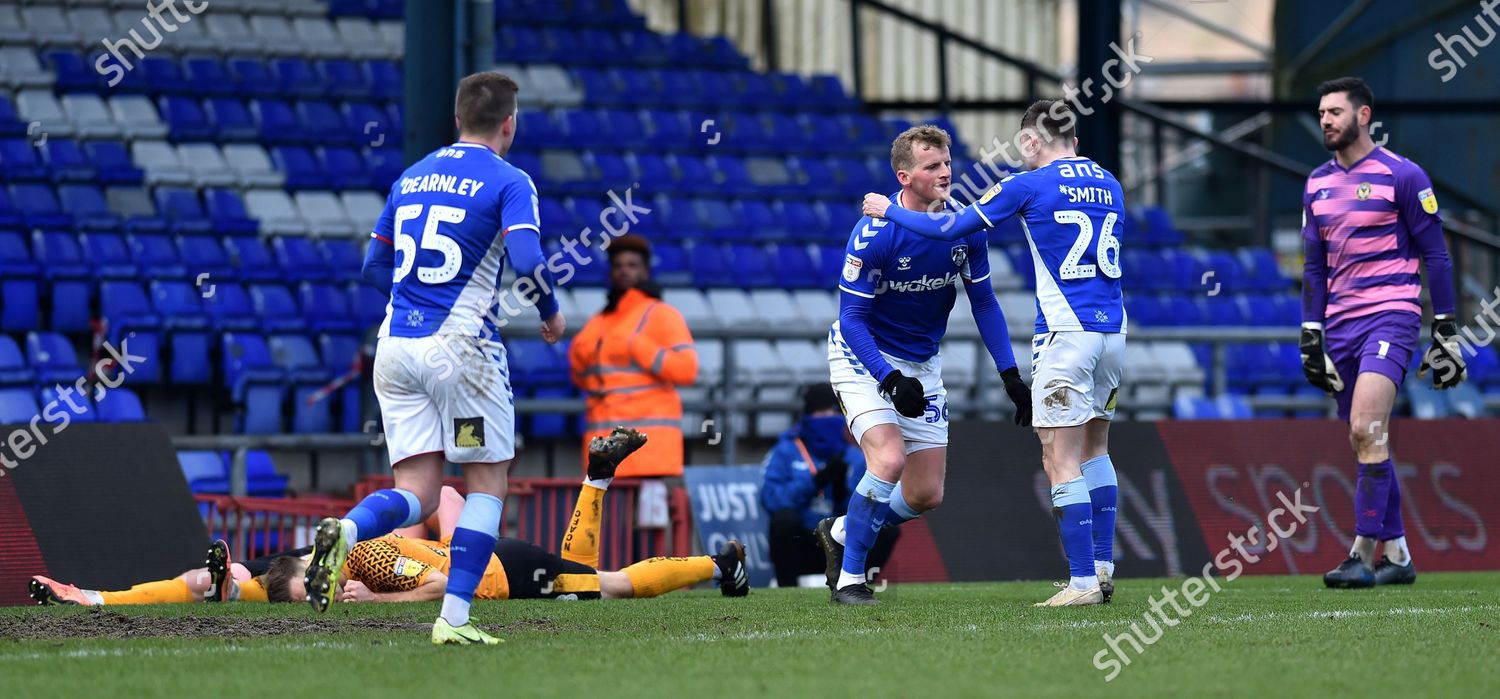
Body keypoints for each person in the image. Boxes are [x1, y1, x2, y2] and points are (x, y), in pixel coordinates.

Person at [301, 71, 566, 646]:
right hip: (462, 352)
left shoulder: (411, 177)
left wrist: (414, 305)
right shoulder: (510, 180)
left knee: (418, 494)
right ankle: (454, 618)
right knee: (486, 486)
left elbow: (374, 269)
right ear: (509, 124)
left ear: (455, 120)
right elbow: (525, 253)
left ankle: (346, 530)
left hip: (395, 346)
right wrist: (550, 310)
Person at [863, 100, 1125, 607]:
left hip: (1067, 335)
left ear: (1031, 142)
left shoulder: (1026, 184)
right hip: (1113, 332)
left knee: (1059, 455)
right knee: (1097, 447)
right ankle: (1103, 566)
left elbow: (949, 229)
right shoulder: (1110, 183)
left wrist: (887, 210)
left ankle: (1082, 582)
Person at [32, 430, 750, 606]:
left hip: (502, 569)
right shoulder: (318, 567)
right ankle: (597, 478)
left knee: (610, 584)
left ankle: (721, 563)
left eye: (315, 584)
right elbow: (202, 581)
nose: (319, 592)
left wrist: (384, 594)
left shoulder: (365, 564)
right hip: (484, 549)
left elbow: (437, 588)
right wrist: (97, 595)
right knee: (593, 574)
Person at [819, 124, 1031, 605]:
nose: (945, 173)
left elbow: (985, 303)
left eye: (947, 163)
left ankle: (842, 531)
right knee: (889, 460)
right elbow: (850, 320)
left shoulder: (962, 226)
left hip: (921, 364)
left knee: (925, 495)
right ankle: (852, 578)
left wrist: (1009, 373)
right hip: (863, 357)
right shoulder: (875, 233)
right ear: (904, 175)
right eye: (932, 166)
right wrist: (889, 379)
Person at [1299, 77, 1461, 589]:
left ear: (1363, 116)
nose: (1325, 119)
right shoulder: (1315, 185)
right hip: (1341, 326)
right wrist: (1311, 332)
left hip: (1391, 316)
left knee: (1366, 430)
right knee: (1367, 438)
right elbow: (1314, 268)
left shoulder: (1404, 176)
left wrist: (1446, 328)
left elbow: (1435, 253)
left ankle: (1361, 554)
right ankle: (1400, 555)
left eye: (1335, 112)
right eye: (1321, 112)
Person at [570, 234, 697, 479]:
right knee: (608, 519)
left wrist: (639, 347)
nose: (624, 271)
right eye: (618, 266)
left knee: (649, 520)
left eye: (632, 265)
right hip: (606, 455)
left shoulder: (662, 315)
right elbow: (581, 378)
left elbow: (687, 370)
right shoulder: (599, 321)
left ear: (645, 271)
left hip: (651, 455)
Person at [761, 383, 898, 587]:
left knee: (885, 526)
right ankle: (786, 588)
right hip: (804, 542)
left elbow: (866, 510)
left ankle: (857, 584)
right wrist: (815, 482)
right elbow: (772, 500)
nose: (827, 416)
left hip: (841, 543)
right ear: (807, 415)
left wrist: (844, 492)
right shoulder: (786, 451)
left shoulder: (855, 457)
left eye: (832, 411)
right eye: (820, 411)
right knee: (783, 521)